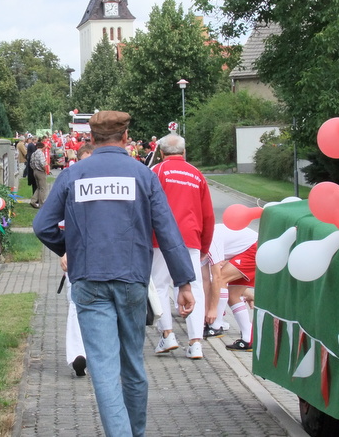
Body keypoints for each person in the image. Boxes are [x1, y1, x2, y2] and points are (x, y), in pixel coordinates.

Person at [33, 111, 196, 437]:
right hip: (132, 280)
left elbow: (42, 225)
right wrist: (184, 283)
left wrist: (73, 248)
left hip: (89, 281)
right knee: (133, 366)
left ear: (91, 139)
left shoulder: (73, 175)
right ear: (125, 138)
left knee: (105, 372)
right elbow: (168, 232)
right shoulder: (143, 175)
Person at [151, 133, 214, 360]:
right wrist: (204, 244)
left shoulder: (156, 172)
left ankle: (167, 334)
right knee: (193, 287)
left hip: (161, 238)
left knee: (159, 285)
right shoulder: (197, 175)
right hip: (190, 238)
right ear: (184, 152)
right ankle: (196, 342)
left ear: (161, 153)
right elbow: (208, 214)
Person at [59, 143, 95, 376]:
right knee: (76, 303)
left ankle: (93, 353)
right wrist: (64, 251)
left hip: (103, 259)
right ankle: (77, 356)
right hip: (77, 256)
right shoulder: (69, 186)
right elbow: (55, 224)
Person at [204, 224, 258, 351]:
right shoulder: (208, 236)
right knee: (233, 295)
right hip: (249, 248)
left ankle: (216, 325)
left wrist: (212, 310)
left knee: (222, 278)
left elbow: (217, 278)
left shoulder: (211, 240)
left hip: (253, 248)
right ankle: (248, 339)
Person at [29, 141, 48, 208]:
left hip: (35, 171)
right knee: (43, 188)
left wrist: (34, 168)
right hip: (40, 171)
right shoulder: (41, 153)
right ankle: (41, 203)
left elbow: (31, 163)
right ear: (42, 147)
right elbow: (42, 163)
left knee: (39, 187)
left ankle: (33, 201)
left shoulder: (33, 153)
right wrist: (45, 170)